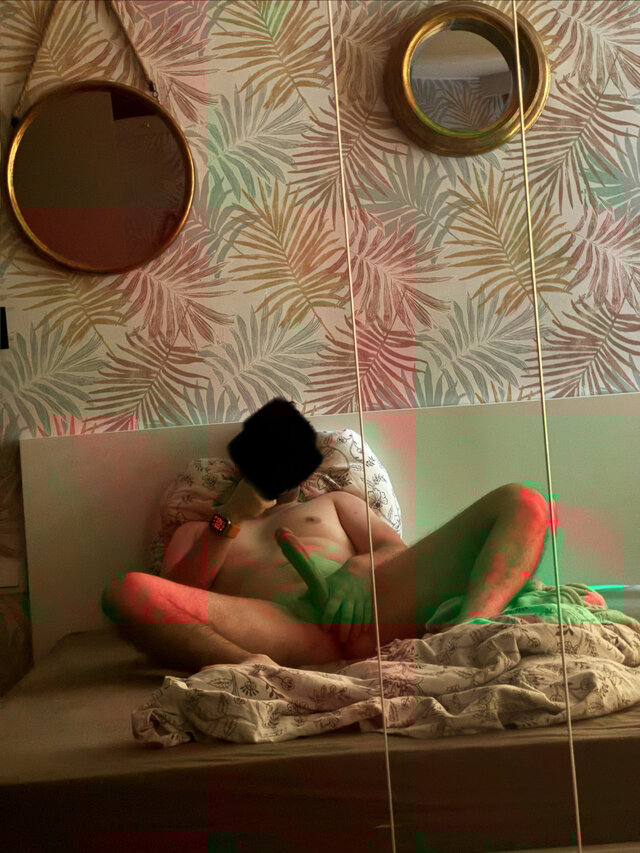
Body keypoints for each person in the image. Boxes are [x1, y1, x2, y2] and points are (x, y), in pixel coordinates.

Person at [102, 475, 553, 672]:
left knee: (524, 502)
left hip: (373, 605)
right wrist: (231, 516)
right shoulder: (205, 529)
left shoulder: (334, 502)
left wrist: (355, 570)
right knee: (127, 591)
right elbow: (179, 594)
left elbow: (394, 550)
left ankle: (468, 632)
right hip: (283, 627)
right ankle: (252, 670)